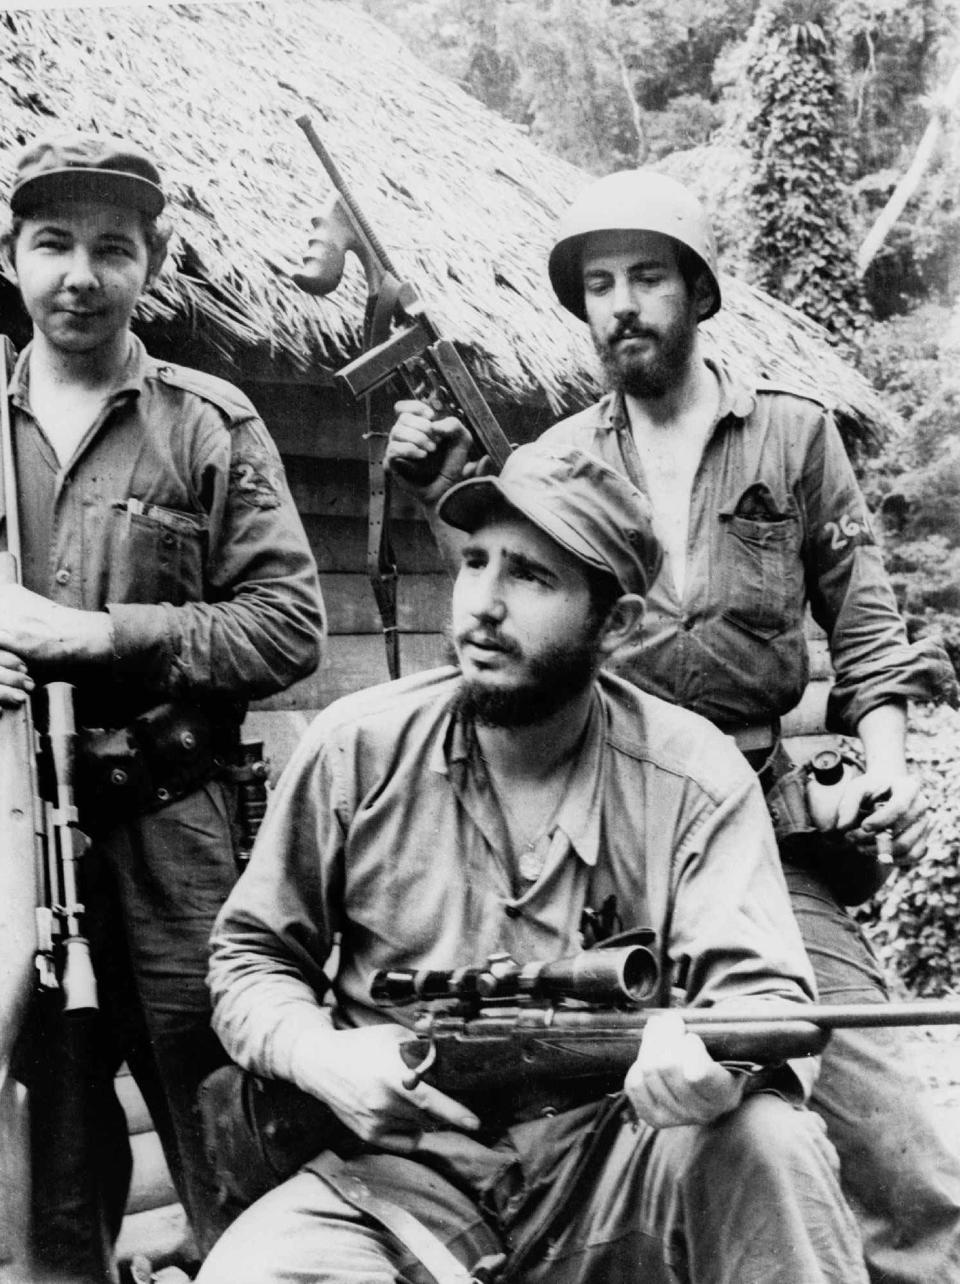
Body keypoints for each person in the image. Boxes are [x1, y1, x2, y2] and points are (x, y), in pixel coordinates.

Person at [384, 169, 960, 1284]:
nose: (621, 306)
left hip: (762, 827)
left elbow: (867, 618)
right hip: (597, 832)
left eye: (647, 276)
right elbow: (510, 624)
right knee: (579, 1116)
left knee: (879, 1111)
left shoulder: (793, 439)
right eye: (599, 285)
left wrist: (886, 758)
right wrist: (435, 493)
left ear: (698, 292)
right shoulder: (551, 464)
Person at [196, 441, 868, 1284]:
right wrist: (318, 1055)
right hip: (402, 1174)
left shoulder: (692, 774)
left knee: (768, 1140)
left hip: (620, 1162)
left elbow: (766, 1002)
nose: (482, 605)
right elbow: (250, 957)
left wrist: (714, 1076)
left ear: (614, 624)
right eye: (476, 563)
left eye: (531, 578)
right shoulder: (356, 747)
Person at [0, 132, 325, 1279]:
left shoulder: (207, 423)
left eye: (111, 248)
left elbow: (290, 626)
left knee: (225, 1129)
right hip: (8, 839)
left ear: (153, 262)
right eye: (53, 244)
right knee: (45, 1151)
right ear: (12, 254)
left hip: (172, 833)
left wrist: (95, 636)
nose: (79, 274)